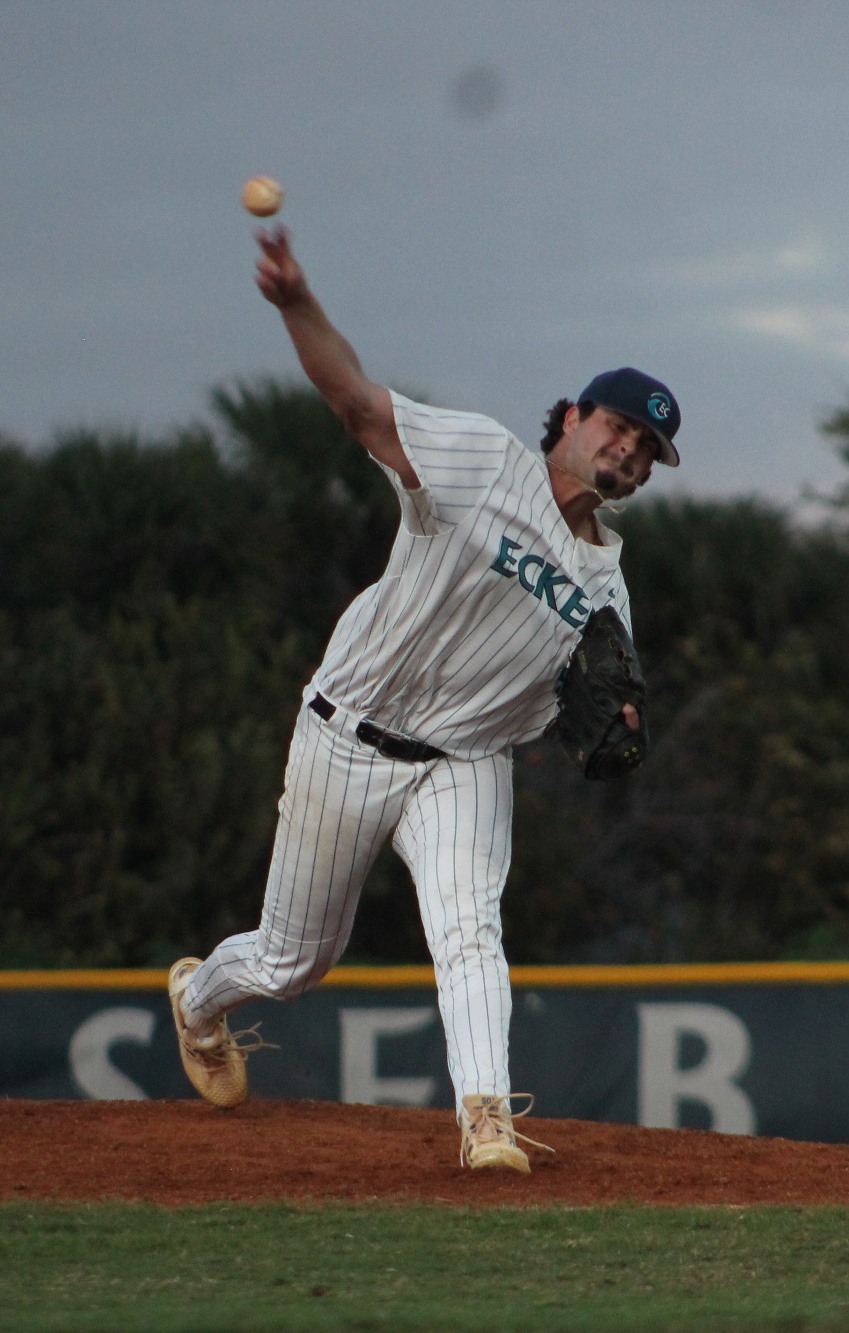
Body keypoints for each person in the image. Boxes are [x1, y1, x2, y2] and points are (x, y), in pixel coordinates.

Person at [167, 225, 680, 1173]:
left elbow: (598, 707)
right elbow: (358, 405)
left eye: (646, 448)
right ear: (571, 416)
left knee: (469, 930)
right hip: (349, 734)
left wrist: (622, 727)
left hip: (463, 761)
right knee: (293, 961)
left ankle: (486, 1120)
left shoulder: (609, 588)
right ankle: (200, 1002)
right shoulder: (484, 462)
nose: (628, 450)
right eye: (617, 426)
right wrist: (295, 304)